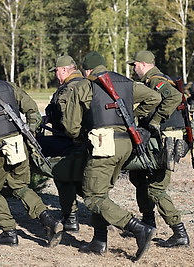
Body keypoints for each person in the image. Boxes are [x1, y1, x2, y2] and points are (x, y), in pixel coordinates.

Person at [62, 51, 161, 261]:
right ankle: (99, 240)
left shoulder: (85, 86)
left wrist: (82, 133)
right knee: (101, 192)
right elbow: (155, 97)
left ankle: (138, 228)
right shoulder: (125, 82)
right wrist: (132, 116)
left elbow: (71, 128)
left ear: (87, 70)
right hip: (126, 143)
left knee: (92, 196)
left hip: (103, 145)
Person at [0, 61, 63, 247]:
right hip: (18, 144)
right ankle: (49, 220)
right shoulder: (9, 86)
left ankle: (9, 233)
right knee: (21, 187)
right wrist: (28, 132)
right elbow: (33, 111)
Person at [126, 50, 190, 248]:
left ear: (143, 64)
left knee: (156, 188)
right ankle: (148, 222)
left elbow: (175, 97)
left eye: (134, 65)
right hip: (157, 140)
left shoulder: (156, 80)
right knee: (137, 176)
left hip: (166, 140)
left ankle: (179, 232)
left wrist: (155, 120)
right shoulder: (151, 81)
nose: (133, 69)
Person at [37, 55, 86, 232]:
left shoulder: (69, 89)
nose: (55, 74)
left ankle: (71, 218)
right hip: (81, 141)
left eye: (56, 70)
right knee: (81, 181)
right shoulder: (85, 84)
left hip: (69, 140)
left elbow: (65, 116)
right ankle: (99, 216)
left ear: (64, 69)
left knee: (63, 176)